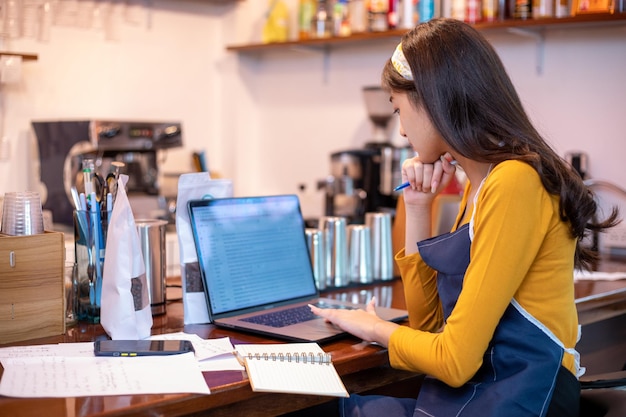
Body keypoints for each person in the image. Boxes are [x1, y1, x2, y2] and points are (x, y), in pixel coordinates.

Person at [309, 17, 619, 417]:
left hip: (517, 400)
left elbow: (454, 362)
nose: (401, 131)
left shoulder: (513, 182)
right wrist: (419, 207)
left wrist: (370, 327)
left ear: (434, 100)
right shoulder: (482, 182)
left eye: (398, 109)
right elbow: (429, 330)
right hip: (486, 394)